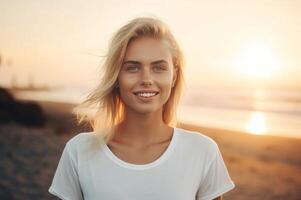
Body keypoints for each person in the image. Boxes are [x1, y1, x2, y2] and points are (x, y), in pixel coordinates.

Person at [48, 17, 235, 200]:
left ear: (174, 75)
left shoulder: (202, 151)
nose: (146, 79)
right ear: (116, 77)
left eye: (159, 68)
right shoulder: (79, 151)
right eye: (132, 68)